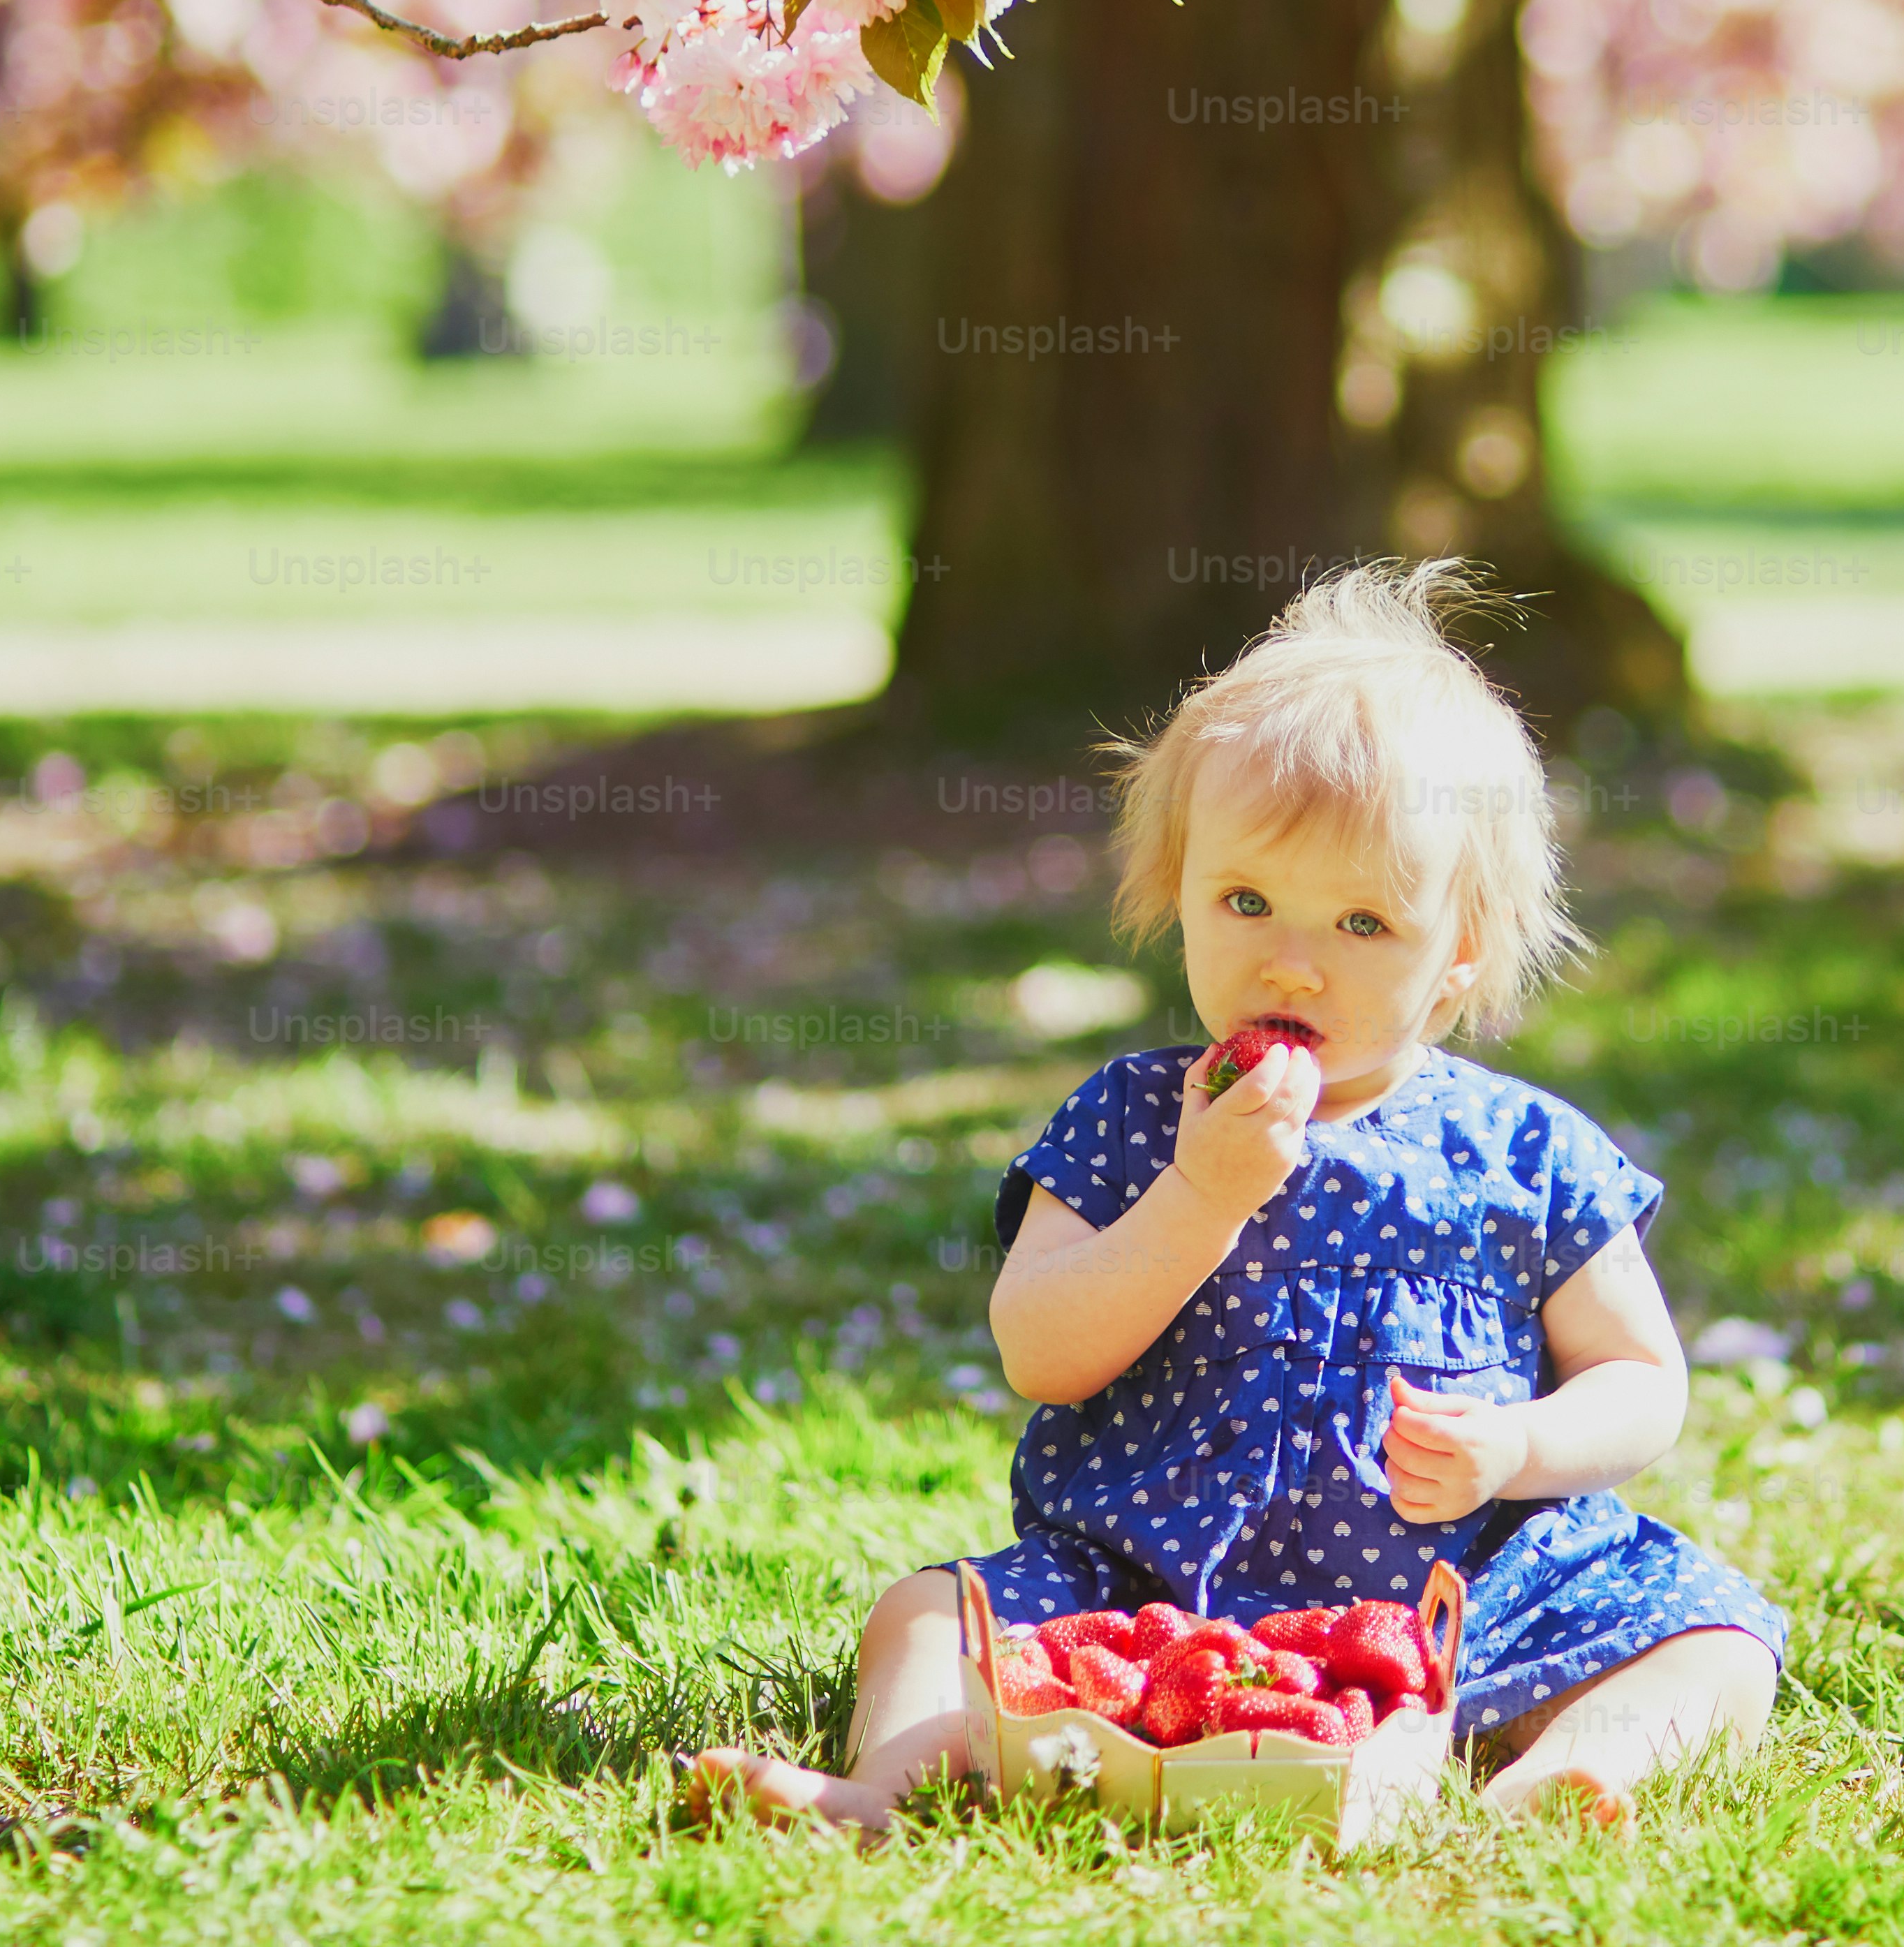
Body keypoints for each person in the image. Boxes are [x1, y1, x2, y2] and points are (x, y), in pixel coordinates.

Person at [687, 561, 1783, 1837]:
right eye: (1246, 900)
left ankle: (1557, 1783)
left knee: (1710, 1632)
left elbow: (1644, 1381)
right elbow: (1040, 1349)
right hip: (1147, 1590)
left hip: (1455, 1595)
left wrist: (1520, 1448)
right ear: (1178, 891)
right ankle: (884, 1790)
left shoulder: (1526, 1148)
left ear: (1460, 954)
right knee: (925, 1614)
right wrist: (1197, 1197)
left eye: (1365, 922)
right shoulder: (1135, 1118)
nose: (1292, 958)